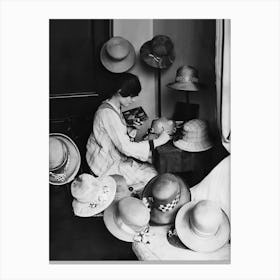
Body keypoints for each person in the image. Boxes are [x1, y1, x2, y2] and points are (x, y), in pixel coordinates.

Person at [86, 73, 170, 194]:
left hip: (111, 155)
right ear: (120, 91)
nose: (134, 100)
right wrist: (158, 141)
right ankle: (124, 191)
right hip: (105, 163)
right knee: (153, 177)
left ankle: (125, 190)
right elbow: (126, 147)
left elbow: (114, 136)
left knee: (150, 168)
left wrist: (131, 129)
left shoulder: (114, 107)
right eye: (131, 96)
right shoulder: (107, 113)